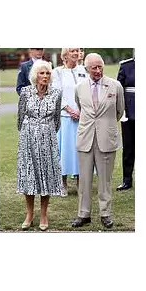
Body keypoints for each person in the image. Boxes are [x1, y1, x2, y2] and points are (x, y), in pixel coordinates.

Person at [71, 53, 125, 229]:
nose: (98, 70)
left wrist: (105, 126)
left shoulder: (115, 86)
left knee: (105, 180)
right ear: (86, 69)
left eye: (100, 66)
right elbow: (81, 108)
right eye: (94, 67)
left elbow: (119, 111)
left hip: (106, 139)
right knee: (84, 180)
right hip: (85, 138)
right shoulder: (79, 88)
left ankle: (105, 213)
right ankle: (83, 214)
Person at [17, 60, 63, 231]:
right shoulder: (25, 92)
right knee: (29, 175)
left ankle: (43, 215)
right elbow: (20, 117)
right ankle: (29, 214)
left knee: (47, 175)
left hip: (48, 138)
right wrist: (27, 134)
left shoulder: (56, 93)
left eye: (48, 73)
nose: (45, 76)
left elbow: (57, 120)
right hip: (28, 138)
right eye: (41, 73)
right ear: (35, 75)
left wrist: (46, 131)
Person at [50, 47, 86, 196]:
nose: (76, 53)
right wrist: (70, 110)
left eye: (77, 50)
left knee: (81, 151)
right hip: (65, 117)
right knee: (64, 151)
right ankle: (62, 183)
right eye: (72, 51)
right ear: (65, 55)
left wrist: (82, 111)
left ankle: (80, 183)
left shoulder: (84, 70)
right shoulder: (57, 72)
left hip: (83, 117)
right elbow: (56, 94)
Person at [117, 56, 135, 190]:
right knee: (128, 148)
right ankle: (127, 180)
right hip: (129, 112)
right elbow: (118, 89)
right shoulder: (126, 66)